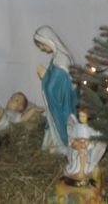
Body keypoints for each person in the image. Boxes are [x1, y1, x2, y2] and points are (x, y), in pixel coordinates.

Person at [34, 25, 77, 154]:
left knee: (62, 124)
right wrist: (46, 76)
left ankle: (62, 145)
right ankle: (53, 143)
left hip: (63, 106)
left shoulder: (62, 60)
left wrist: (44, 76)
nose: (41, 48)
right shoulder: (57, 56)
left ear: (48, 41)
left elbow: (54, 90)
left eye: (42, 45)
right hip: (60, 104)